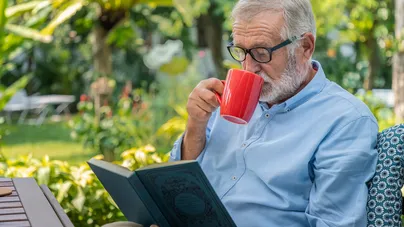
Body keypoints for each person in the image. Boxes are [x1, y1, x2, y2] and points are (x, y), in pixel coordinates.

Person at [105, 0, 378, 226]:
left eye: (261, 52)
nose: (248, 67)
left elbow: (333, 223)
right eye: (241, 51)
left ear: (305, 47)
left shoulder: (345, 120)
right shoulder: (228, 97)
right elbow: (179, 180)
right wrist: (196, 125)